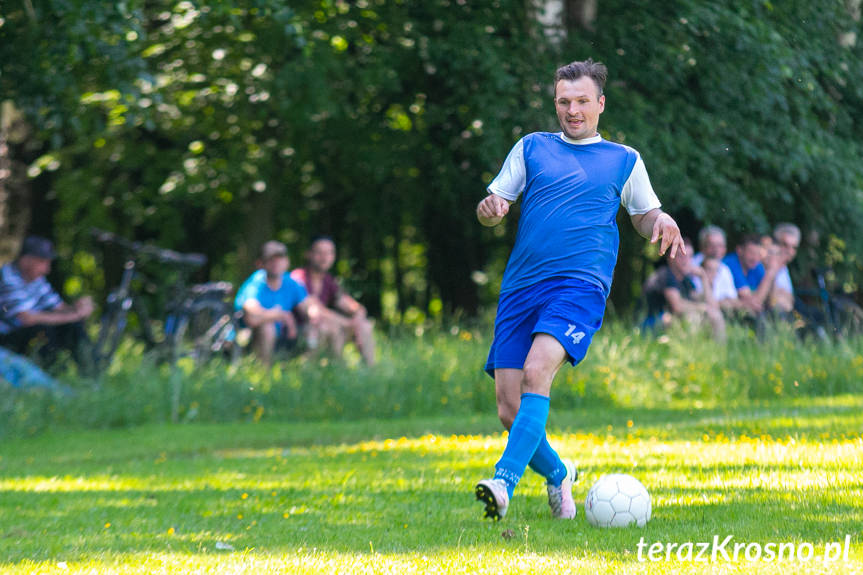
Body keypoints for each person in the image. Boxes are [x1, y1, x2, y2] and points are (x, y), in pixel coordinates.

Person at [473, 59, 683, 521]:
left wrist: (661, 219)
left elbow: (643, 215)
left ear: (600, 104)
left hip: (579, 285)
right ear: (555, 103)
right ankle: (560, 473)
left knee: (537, 371)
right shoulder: (531, 148)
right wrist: (491, 209)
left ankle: (503, 483)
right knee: (510, 411)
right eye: (564, 101)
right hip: (520, 288)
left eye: (582, 101)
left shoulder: (624, 159)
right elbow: (494, 208)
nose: (572, 110)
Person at [0, 236, 94, 371]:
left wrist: (77, 308)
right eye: (43, 262)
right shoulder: (7, 277)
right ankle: (51, 375)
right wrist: (75, 315)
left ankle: (92, 373)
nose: (47, 269)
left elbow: (60, 308)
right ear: (26, 260)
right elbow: (26, 318)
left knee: (72, 326)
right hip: (8, 340)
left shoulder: (36, 279)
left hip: (29, 332)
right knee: (44, 331)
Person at [290, 236, 376, 366]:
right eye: (320, 252)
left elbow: (348, 303)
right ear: (309, 254)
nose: (325, 257)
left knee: (365, 326)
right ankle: (336, 368)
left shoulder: (328, 280)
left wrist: (358, 314)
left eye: (329, 252)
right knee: (330, 327)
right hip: (299, 330)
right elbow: (315, 311)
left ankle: (370, 370)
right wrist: (348, 323)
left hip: (325, 327)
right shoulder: (298, 277)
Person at [234, 241, 319, 365]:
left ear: (287, 261)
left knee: (319, 327)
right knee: (267, 327)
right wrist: (282, 315)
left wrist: (314, 315)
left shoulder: (291, 282)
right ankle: (264, 374)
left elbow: (307, 307)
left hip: (284, 337)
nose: (276, 262)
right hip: (247, 340)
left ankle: (309, 370)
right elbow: (252, 315)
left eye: (280, 258)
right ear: (261, 263)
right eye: (270, 259)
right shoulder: (256, 283)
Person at [643, 238, 725, 340]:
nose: (686, 261)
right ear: (670, 258)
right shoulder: (666, 275)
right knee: (692, 317)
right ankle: (688, 352)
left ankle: (718, 352)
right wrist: (703, 308)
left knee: (715, 315)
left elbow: (712, 306)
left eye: (689, 256)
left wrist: (703, 277)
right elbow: (677, 306)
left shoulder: (686, 281)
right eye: (681, 256)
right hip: (649, 325)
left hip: (668, 323)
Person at [722, 234, 784, 314]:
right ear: (739, 250)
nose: (755, 258)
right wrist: (770, 273)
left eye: (758, 254)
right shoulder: (731, 264)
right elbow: (754, 303)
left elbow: (772, 300)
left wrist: (773, 275)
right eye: (751, 253)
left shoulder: (756, 265)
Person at [690, 226, 739, 310]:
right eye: (711, 245)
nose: (716, 250)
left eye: (720, 246)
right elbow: (691, 297)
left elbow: (733, 301)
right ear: (702, 247)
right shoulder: (691, 265)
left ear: (724, 249)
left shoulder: (724, 270)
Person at [768, 223, 801, 314]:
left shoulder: (784, 269)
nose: (790, 251)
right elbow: (771, 301)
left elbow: (790, 301)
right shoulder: (762, 264)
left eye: (794, 247)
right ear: (774, 244)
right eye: (785, 245)